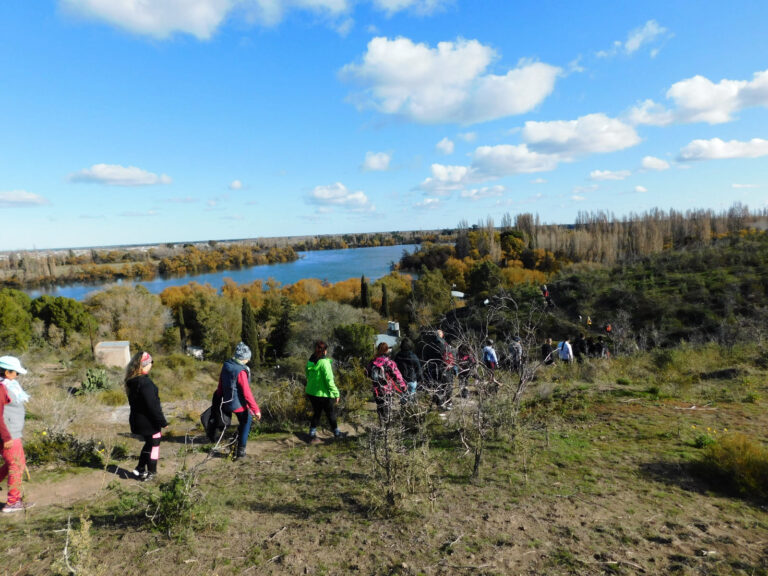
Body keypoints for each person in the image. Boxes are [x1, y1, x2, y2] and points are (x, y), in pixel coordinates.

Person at [125, 351, 168, 481]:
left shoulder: (131, 381)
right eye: (150, 363)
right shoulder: (146, 383)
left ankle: (139, 468)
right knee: (154, 445)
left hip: (137, 420)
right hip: (149, 422)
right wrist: (162, 422)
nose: (152, 365)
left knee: (149, 444)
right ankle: (152, 473)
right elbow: (153, 407)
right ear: (144, 365)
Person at [217, 342, 261, 460]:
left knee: (243, 422)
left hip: (226, 401)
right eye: (247, 358)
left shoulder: (227, 365)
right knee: (247, 420)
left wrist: (219, 398)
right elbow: (247, 393)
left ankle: (234, 440)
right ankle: (240, 452)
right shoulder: (241, 371)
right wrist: (255, 409)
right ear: (243, 358)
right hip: (237, 404)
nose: (248, 360)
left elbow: (220, 384)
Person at [0, 356, 33, 513]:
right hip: (8, 435)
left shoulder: (9, 385)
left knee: (11, 463)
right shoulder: (1, 388)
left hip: (11, 432)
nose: (18, 376)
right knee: (16, 465)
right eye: (16, 373)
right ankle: (13, 502)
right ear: (7, 372)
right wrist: (6, 437)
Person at [305, 341, 344, 442]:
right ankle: (336, 433)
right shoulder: (325, 363)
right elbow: (329, 380)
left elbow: (308, 374)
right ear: (325, 351)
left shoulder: (310, 360)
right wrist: (336, 393)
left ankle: (312, 433)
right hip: (323, 394)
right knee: (330, 413)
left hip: (311, 392)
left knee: (317, 413)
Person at [366, 342, 406, 424]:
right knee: (387, 408)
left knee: (380, 407)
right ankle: (387, 429)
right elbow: (397, 375)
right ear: (387, 350)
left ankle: (382, 425)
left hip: (376, 389)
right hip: (387, 389)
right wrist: (403, 385)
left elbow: (366, 373)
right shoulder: (389, 362)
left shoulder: (372, 361)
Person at [394, 338, 422, 404]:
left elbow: (394, 368)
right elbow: (419, 369)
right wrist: (418, 378)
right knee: (411, 399)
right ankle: (411, 411)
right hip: (412, 379)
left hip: (401, 380)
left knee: (403, 398)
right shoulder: (413, 356)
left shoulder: (398, 356)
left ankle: (403, 410)